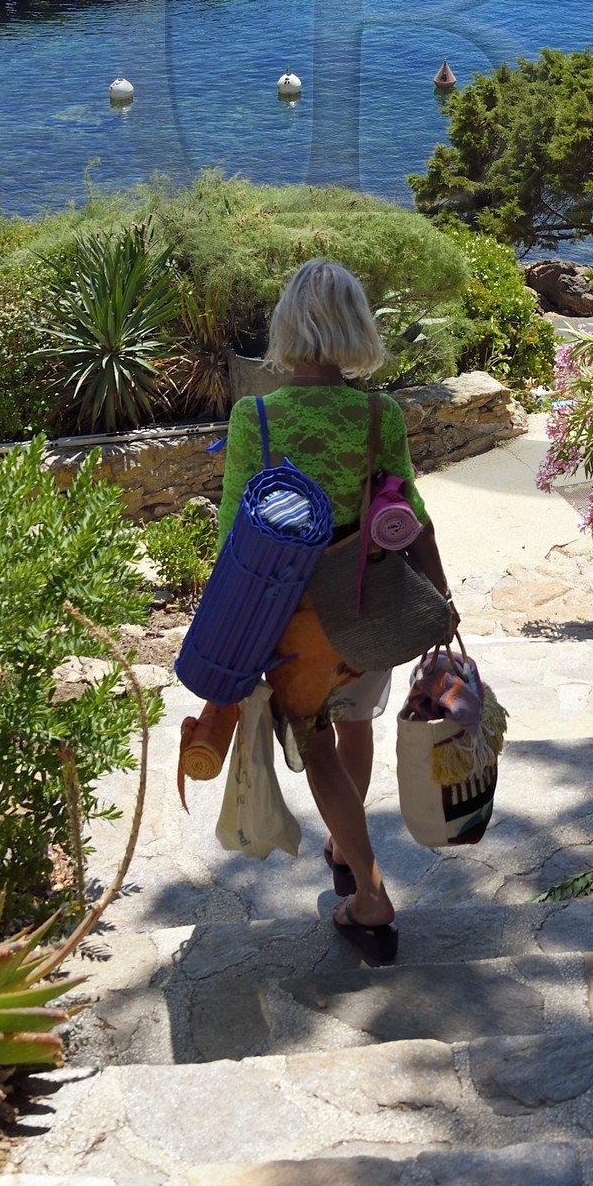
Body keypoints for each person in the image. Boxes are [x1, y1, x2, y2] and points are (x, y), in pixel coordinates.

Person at [216, 258, 454, 961]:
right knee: (355, 720)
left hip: (292, 622)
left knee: (315, 743)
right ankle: (344, 845)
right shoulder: (381, 414)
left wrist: (224, 633)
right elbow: (413, 515)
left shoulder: (253, 418)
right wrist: (443, 602)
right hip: (369, 611)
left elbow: (235, 532)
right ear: (355, 325)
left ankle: (371, 891)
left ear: (288, 326)